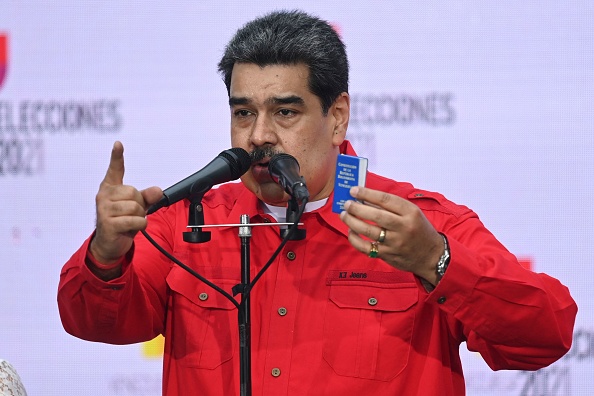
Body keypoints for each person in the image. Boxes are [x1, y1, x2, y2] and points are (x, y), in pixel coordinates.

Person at [58, 10, 577, 396]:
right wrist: (106, 255)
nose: (259, 135)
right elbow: (95, 323)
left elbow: (545, 336)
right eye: (243, 113)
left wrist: (435, 262)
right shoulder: (187, 225)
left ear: (337, 117)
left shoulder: (418, 225)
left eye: (285, 112)